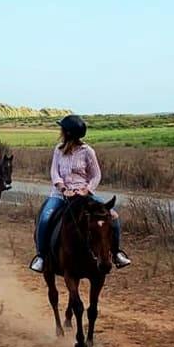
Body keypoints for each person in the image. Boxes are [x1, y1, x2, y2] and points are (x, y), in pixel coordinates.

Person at [29, 114, 131, 273]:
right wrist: (63, 189)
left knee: (113, 216)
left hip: (84, 195)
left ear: (68, 132)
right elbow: (54, 173)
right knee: (45, 218)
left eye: (62, 129)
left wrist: (86, 190)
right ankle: (42, 257)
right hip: (60, 194)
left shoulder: (87, 151)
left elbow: (96, 175)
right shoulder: (58, 150)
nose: (60, 131)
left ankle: (116, 253)